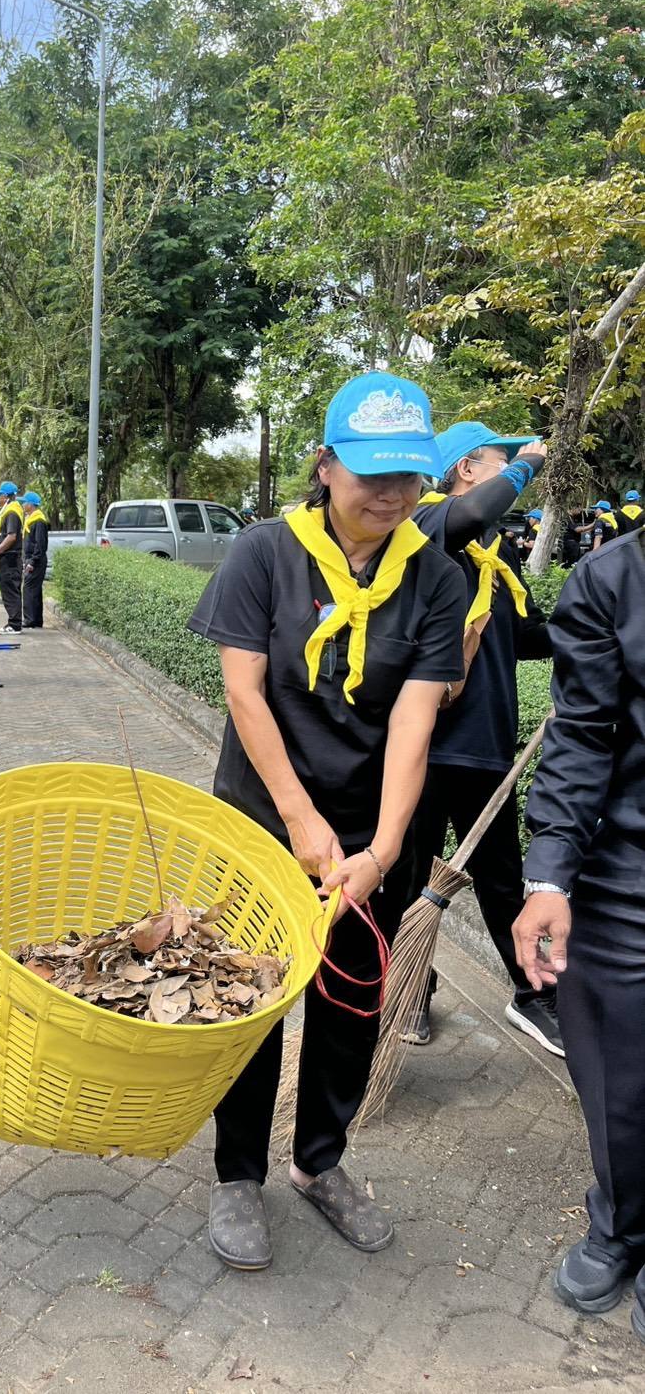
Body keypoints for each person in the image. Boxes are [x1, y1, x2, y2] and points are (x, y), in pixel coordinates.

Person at [187, 371, 466, 1267]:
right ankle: (238, 1173)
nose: (391, 492)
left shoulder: (435, 577)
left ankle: (319, 1160)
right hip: (262, 819)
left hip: (368, 832)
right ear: (325, 464)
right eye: (371, 472)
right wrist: (302, 822)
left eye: (408, 475)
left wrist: (380, 850)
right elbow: (245, 693)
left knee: (349, 1000)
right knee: (252, 993)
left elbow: (415, 723)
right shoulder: (265, 553)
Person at [511, 517, 645, 1340]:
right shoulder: (612, 580)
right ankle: (621, 1221)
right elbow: (582, 733)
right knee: (615, 1069)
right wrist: (550, 873)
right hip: (628, 863)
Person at [402, 423, 557, 1050]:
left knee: (501, 880)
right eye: (499, 459)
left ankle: (534, 995)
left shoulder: (498, 550)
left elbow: (525, 636)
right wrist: (531, 463)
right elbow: (470, 513)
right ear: (466, 468)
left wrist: (598, 630)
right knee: (406, 878)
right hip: (420, 746)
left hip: (485, 745)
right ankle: (410, 988)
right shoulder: (427, 526)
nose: (511, 469)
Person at [0, 481, 24, 633]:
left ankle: (14, 625)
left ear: (5, 496)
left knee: (10, 591)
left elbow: (11, 537)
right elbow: (7, 536)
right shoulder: (11, 510)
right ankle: (14, 623)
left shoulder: (11, 512)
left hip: (10, 559)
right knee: (10, 590)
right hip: (9, 558)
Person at [21, 491, 49, 630]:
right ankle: (37, 619)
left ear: (31, 504)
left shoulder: (38, 521)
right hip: (32, 559)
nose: (22, 505)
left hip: (35, 561)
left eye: (24, 502)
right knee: (35, 590)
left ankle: (29, 619)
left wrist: (32, 561)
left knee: (29, 589)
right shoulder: (32, 519)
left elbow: (40, 544)